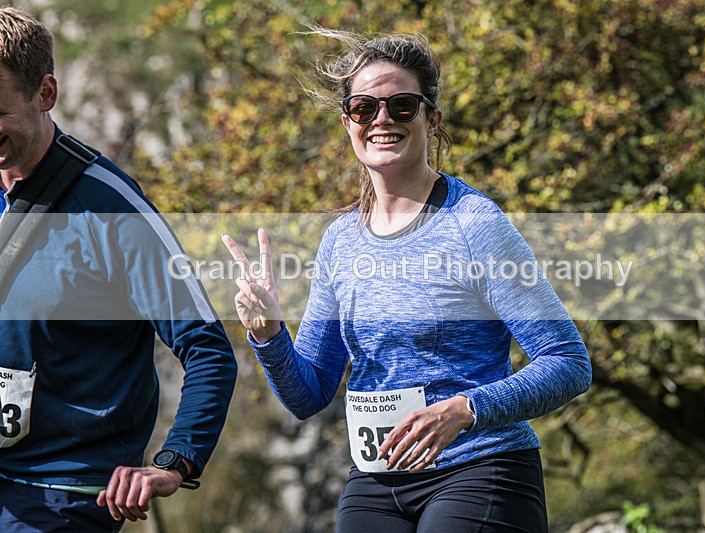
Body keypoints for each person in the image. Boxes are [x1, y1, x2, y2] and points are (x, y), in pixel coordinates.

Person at [223, 29, 591, 532]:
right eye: (363, 108)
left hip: (480, 468)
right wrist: (268, 335)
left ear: (431, 119)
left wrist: (465, 409)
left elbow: (568, 363)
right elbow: (308, 394)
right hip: (377, 480)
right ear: (348, 121)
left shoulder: (474, 225)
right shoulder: (340, 242)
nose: (381, 120)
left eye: (401, 106)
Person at [0, 7, 238, 531]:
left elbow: (209, 351)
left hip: (61, 495)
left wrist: (174, 462)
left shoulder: (115, 210)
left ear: (46, 94)